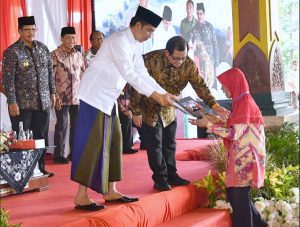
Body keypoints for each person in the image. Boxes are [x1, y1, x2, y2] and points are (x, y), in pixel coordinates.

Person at [71, 6, 178, 211]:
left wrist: (164, 93)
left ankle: (111, 191)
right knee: (91, 146)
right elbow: (129, 74)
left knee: (115, 142)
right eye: (149, 31)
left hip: (108, 98)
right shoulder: (118, 41)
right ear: (137, 25)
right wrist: (156, 96)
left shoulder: (134, 43)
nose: (149, 36)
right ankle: (81, 196)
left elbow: (142, 73)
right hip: (94, 96)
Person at [131, 36, 227, 191]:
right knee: (155, 145)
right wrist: (135, 111)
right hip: (149, 108)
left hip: (170, 108)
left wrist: (214, 105)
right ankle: (160, 179)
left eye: (183, 58)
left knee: (170, 144)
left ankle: (172, 174)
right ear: (167, 53)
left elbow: (200, 85)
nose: (180, 62)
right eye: (176, 58)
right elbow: (136, 85)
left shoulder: (187, 63)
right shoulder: (150, 60)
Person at [188, 68, 268, 227]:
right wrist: (214, 120)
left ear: (234, 84)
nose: (223, 89)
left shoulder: (245, 103)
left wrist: (209, 125)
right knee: (235, 197)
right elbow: (237, 127)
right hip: (241, 158)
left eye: (225, 85)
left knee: (239, 201)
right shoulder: (241, 102)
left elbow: (234, 134)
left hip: (245, 159)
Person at [2, 16, 57, 177]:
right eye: (27, 29)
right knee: (23, 139)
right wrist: (12, 101)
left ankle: (40, 168)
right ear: (19, 31)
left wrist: (53, 93)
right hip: (22, 105)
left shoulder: (43, 48)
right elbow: (7, 80)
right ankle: (24, 170)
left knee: (41, 137)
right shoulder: (12, 52)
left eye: (33, 29)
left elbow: (49, 74)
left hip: (43, 102)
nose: (31, 32)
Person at [51, 27, 87, 164]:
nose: (72, 40)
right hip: (61, 97)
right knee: (62, 125)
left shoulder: (79, 55)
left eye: (73, 37)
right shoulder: (55, 55)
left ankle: (75, 153)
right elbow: (51, 77)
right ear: (62, 38)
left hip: (77, 97)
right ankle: (59, 155)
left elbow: (83, 75)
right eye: (68, 38)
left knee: (77, 126)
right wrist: (54, 95)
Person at [192, 3, 220, 87]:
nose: (199, 16)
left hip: (210, 64)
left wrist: (216, 66)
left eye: (201, 14)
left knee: (210, 88)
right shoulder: (194, 29)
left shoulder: (210, 27)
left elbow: (215, 46)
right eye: (197, 14)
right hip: (200, 66)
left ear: (204, 14)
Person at [117, 83, 139, 154]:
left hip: (130, 109)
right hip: (117, 110)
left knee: (141, 117)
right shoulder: (117, 83)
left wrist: (134, 111)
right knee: (127, 118)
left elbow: (136, 99)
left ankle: (145, 143)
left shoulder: (132, 84)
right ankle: (127, 147)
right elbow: (115, 99)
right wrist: (123, 110)